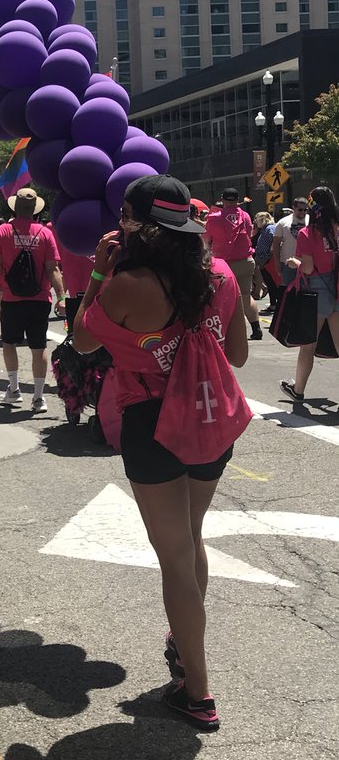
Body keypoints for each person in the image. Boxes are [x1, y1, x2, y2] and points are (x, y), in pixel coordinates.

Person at [72, 175, 248, 731]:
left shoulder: (128, 285)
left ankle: (197, 691)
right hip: (211, 418)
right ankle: (185, 638)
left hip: (154, 423)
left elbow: (81, 341)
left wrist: (97, 272)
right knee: (190, 539)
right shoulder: (218, 274)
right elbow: (239, 354)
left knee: (174, 554)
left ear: (135, 224)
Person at [0, 188, 64, 412]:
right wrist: (62, 296)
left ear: (15, 208)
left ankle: (14, 389)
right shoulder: (46, 234)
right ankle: (38, 398)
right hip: (40, 299)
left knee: (9, 343)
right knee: (39, 347)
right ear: (35, 209)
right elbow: (53, 269)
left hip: (11, 298)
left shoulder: (3, 232)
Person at [279, 186, 339, 404]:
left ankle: (298, 389)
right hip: (337, 287)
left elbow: (307, 268)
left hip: (317, 290)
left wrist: (293, 261)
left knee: (308, 345)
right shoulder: (336, 230)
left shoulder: (307, 233)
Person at [204, 187, 261, 340]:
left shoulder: (214, 217)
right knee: (246, 296)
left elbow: (205, 239)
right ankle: (256, 329)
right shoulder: (246, 216)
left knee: (222, 298)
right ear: (237, 200)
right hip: (245, 261)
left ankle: (229, 332)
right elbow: (250, 234)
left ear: (223, 200)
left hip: (223, 264)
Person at [271, 197, 309, 287]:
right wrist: (277, 264)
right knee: (289, 293)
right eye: (300, 210)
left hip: (307, 264)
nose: (303, 212)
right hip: (289, 264)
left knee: (308, 294)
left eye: (305, 210)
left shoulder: (311, 221)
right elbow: (276, 245)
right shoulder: (283, 223)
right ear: (294, 208)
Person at [251, 212, 280, 314]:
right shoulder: (265, 229)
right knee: (270, 283)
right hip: (264, 261)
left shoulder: (270, 228)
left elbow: (274, 242)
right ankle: (273, 304)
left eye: (256, 219)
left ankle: (275, 304)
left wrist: (267, 257)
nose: (255, 222)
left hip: (268, 261)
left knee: (272, 283)